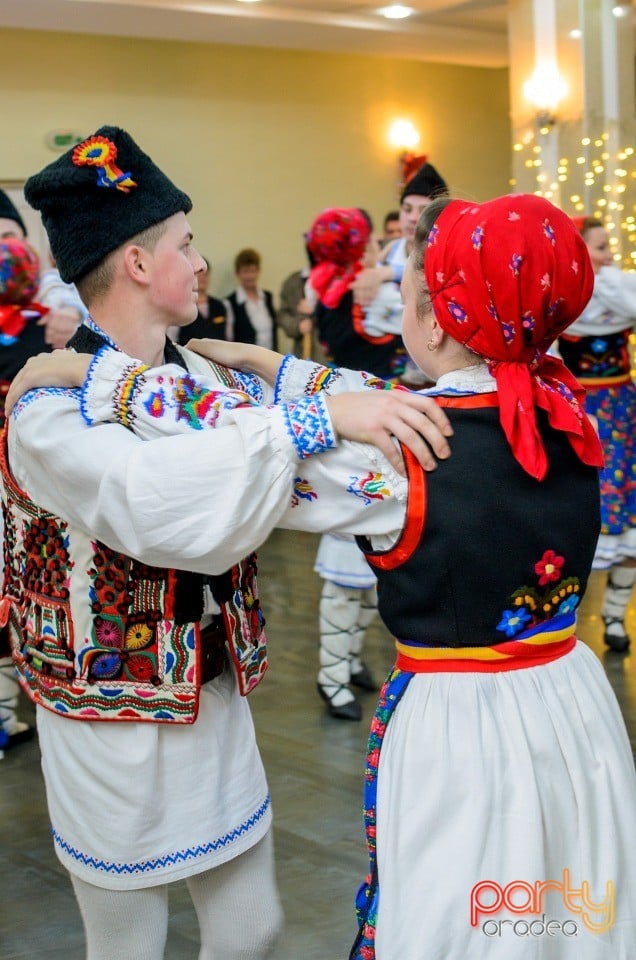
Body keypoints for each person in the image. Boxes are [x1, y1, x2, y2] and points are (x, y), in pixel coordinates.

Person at [18, 192, 636, 959]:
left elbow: (234, 451)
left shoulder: (401, 452)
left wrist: (94, 379)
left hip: (467, 722)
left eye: (404, 298)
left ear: (434, 321)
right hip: (571, 701)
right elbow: (373, 395)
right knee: (564, 901)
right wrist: (265, 362)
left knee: (467, 903)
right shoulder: (561, 402)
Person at [1, 124, 453, 960]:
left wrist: (418, 434)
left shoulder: (208, 376)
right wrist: (303, 417)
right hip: (110, 723)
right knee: (128, 948)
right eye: (186, 242)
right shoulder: (49, 411)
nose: (201, 260)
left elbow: (310, 464)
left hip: (212, 700)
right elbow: (158, 506)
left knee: (255, 929)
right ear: (138, 264)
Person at [305, 207, 404, 719]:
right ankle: (332, 674)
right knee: (349, 569)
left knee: (373, 560)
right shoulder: (369, 296)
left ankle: (347, 662)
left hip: (360, 425)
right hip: (363, 431)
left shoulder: (322, 285)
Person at [558, 216, 636, 652]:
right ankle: (562, 615)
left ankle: (615, 616)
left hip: (624, 411)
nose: (609, 255)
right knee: (584, 510)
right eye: (600, 247)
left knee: (629, 505)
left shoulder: (620, 293)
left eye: (609, 247)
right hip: (582, 412)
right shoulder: (566, 304)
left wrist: (605, 278)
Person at [225, 247, 277, 350]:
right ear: (237, 274)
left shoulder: (268, 297)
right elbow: (228, 339)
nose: (250, 276)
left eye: (253, 271)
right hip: (244, 363)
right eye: (245, 271)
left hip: (271, 359)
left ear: (258, 271)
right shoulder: (230, 303)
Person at [176, 255, 228, 343]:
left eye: (206, 274)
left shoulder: (220, 305)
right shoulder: (180, 306)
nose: (202, 278)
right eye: (199, 274)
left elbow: (229, 338)